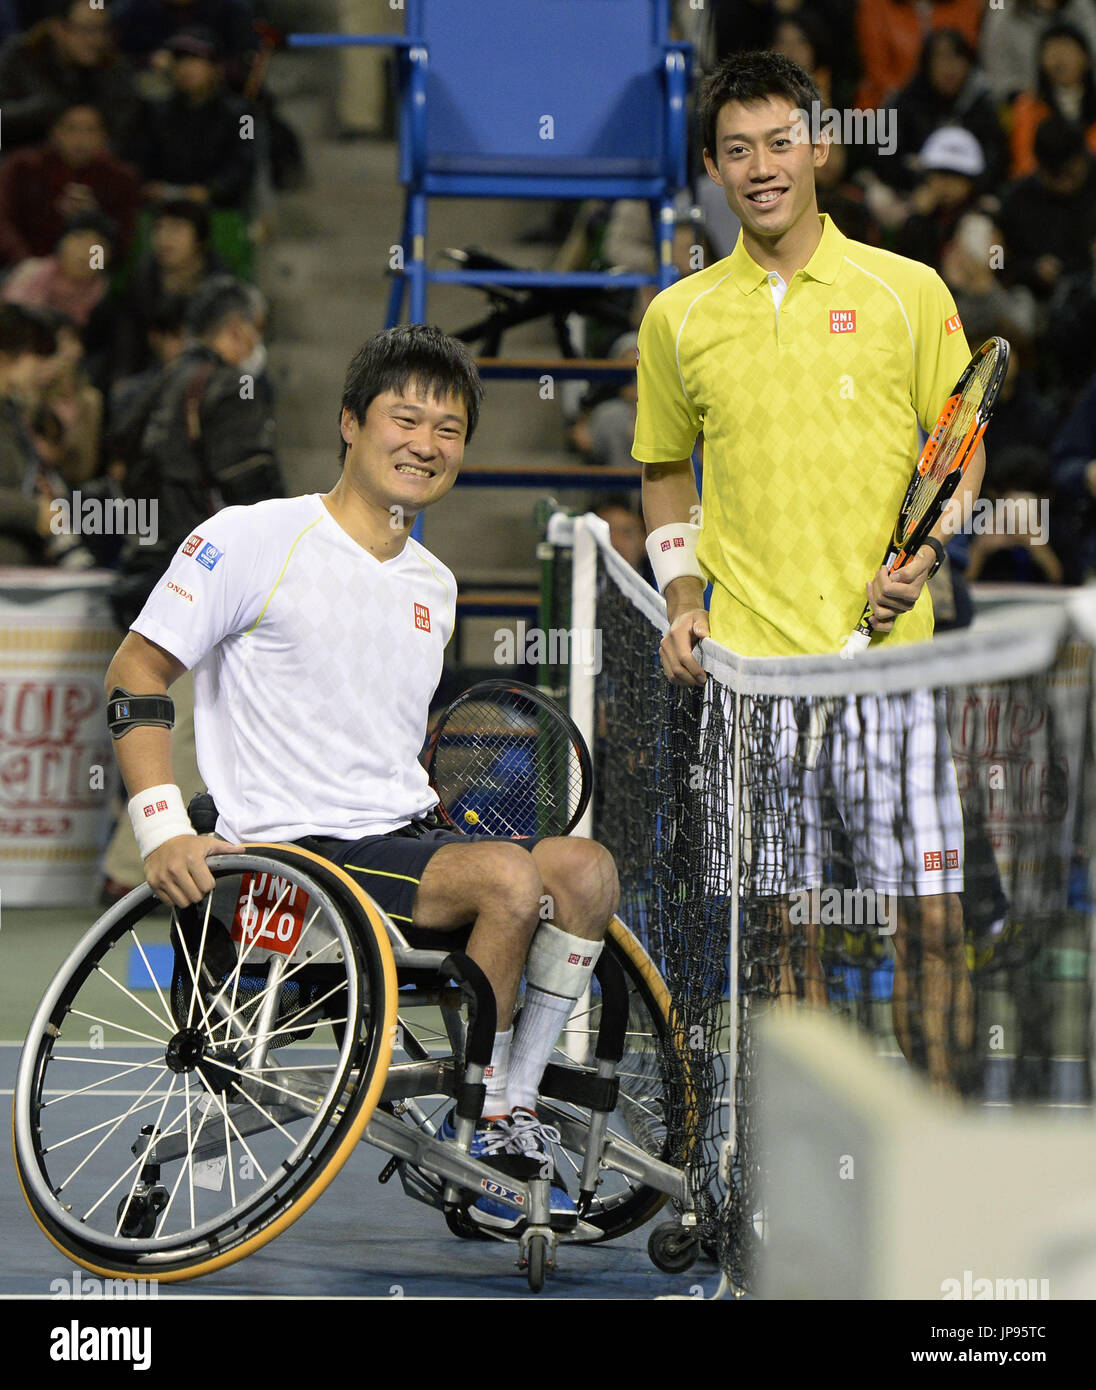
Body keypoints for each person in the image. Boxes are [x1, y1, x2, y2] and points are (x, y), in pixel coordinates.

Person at [102, 324, 619, 1227]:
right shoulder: (252, 537)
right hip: (287, 860)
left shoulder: (435, 583)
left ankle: (515, 1099)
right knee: (506, 879)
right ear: (350, 423)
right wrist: (160, 828)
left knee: (587, 870)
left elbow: (377, 724)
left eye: (449, 430)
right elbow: (136, 674)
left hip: (398, 841)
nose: (426, 445)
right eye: (405, 419)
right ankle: (486, 1113)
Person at [633, 50, 982, 1091]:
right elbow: (661, 469)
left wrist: (923, 555)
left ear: (819, 146)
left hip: (891, 677)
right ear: (711, 167)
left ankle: (944, 1160)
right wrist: (682, 599)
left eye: (780, 142)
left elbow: (960, 453)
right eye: (736, 150)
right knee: (783, 935)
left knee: (930, 918)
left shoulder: (906, 291)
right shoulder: (678, 317)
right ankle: (812, 1167)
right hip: (753, 682)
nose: (762, 167)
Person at [100, 275, 282, 902]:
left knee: (154, 713)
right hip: (198, 574)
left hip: (139, 566)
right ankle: (142, 873)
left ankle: (129, 864)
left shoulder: (140, 388)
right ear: (238, 330)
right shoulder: (231, 384)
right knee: (182, 723)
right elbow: (250, 481)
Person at [0, 102, 140, 268]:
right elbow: (4, 222)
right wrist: (25, 263)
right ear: (54, 132)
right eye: (71, 129)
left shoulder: (121, 178)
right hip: (22, 268)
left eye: (90, 130)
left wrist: (94, 219)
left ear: (104, 136)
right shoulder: (22, 167)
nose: (80, 140)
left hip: (88, 276)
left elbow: (122, 245)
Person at [132, 27, 256, 210]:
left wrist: (211, 190)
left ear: (216, 67)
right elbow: (144, 159)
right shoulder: (156, 112)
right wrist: (151, 186)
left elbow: (244, 164)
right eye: (179, 61)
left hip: (223, 208)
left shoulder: (244, 114)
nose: (185, 68)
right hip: (167, 208)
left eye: (195, 60)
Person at [0, 0, 139, 153]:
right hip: (23, 165)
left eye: (103, 30)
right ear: (58, 28)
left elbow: (125, 133)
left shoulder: (113, 66)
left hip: (92, 168)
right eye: (87, 30)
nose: (96, 40)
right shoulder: (21, 57)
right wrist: (46, 110)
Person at [1008, 20, 1096, 176]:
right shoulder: (1028, 106)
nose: (1059, 59)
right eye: (1051, 51)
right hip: (1045, 189)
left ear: (1087, 58)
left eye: (1067, 49)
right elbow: (1024, 163)